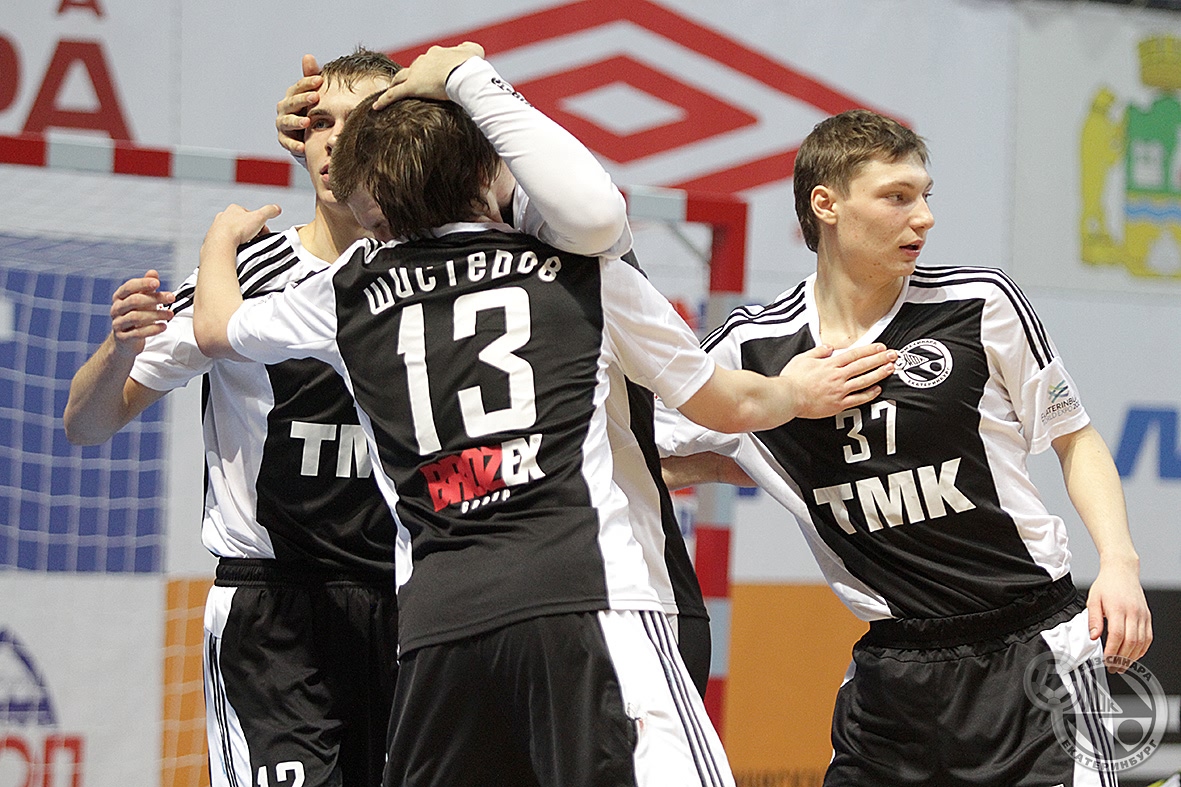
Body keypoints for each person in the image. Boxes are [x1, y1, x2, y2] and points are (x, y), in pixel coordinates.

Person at [191, 44, 898, 787]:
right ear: (488, 169)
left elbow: (216, 328)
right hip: (587, 596)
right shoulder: (582, 270)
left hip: (436, 626)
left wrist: (219, 241)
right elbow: (726, 400)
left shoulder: (347, 289)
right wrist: (796, 392)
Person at [657, 108, 1153, 786]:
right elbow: (636, 451)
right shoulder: (755, 347)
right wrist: (767, 423)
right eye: (896, 197)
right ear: (826, 205)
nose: (923, 217)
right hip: (892, 675)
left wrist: (1119, 563)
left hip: (1031, 652)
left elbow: (1075, 437)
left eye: (925, 195)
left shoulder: (979, 303)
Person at [63, 49, 404, 787]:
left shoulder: (434, 275)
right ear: (299, 139)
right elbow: (86, 425)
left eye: (358, 123)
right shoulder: (242, 275)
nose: (336, 142)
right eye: (320, 123)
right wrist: (119, 351)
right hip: (275, 614)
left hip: (411, 609)